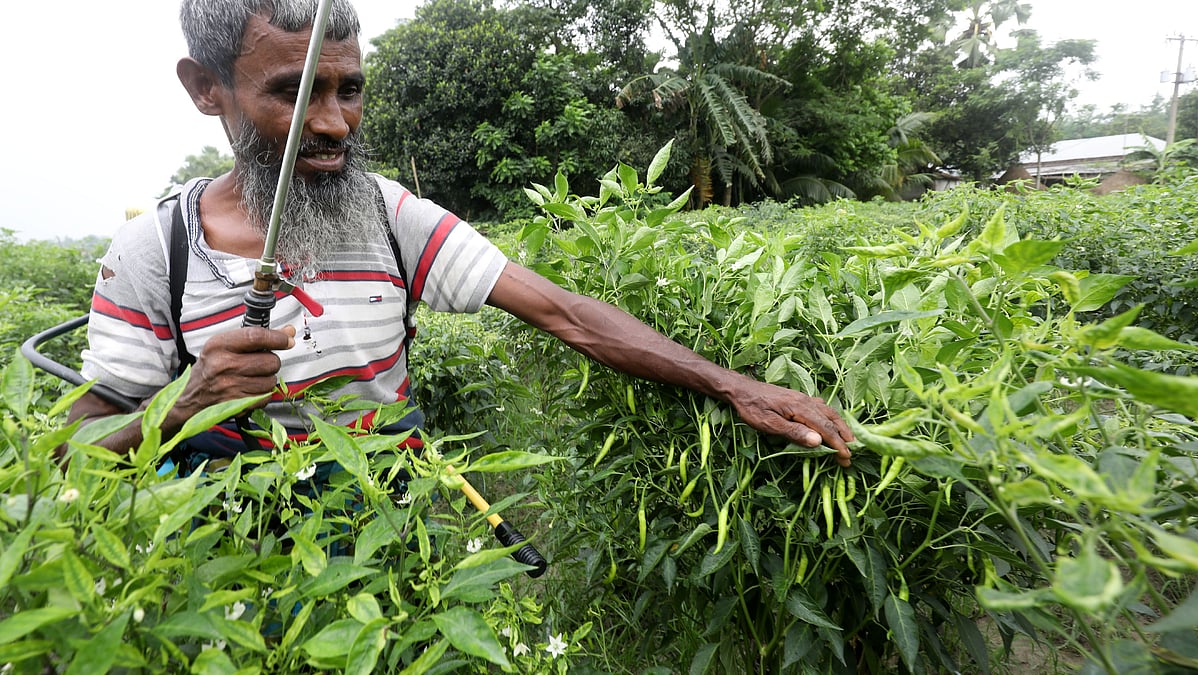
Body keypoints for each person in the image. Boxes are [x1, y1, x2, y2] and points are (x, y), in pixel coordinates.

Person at [68, 0, 853, 470]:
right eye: (294, 93)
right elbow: (73, 449)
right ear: (207, 89)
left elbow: (564, 312)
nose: (336, 123)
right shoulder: (154, 253)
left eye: (351, 89)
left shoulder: (388, 215)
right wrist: (183, 404)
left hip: (393, 526)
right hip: (231, 561)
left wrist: (736, 384)